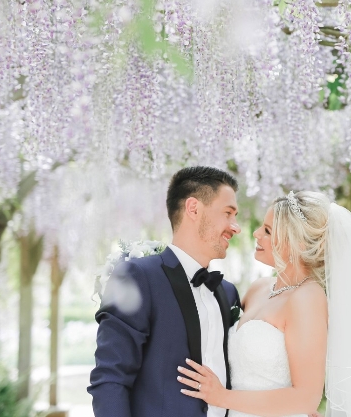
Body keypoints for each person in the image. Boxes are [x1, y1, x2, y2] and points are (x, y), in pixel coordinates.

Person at [177, 191, 351, 417]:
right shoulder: (259, 288)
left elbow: (306, 398)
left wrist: (222, 397)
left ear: (296, 243)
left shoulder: (308, 298)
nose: (256, 233)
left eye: (268, 231)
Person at [88, 166, 242, 417]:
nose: (235, 227)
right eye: (228, 213)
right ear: (193, 208)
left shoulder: (227, 292)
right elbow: (110, 380)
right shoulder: (137, 276)